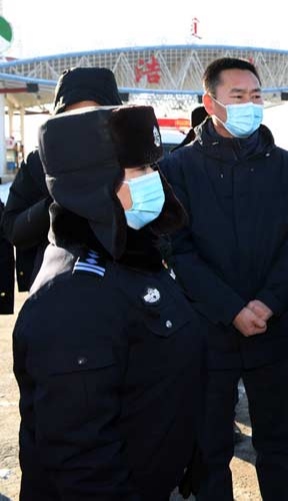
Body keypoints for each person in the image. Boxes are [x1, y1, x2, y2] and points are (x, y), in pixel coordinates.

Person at [13, 104, 203, 499]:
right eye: (139, 170)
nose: (153, 180)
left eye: (153, 167)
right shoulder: (73, 297)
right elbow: (81, 460)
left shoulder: (136, 253)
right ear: (90, 184)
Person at [160, 57, 288, 501]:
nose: (250, 104)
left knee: (277, 443)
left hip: (272, 328)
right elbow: (177, 248)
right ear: (211, 103)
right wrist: (230, 309)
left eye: (256, 95)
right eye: (238, 96)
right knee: (210, 448)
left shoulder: (285, 167)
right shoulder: (178, 168)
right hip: (210, 332)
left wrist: (268, 302)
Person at [2, 67, 122, 291]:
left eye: (94, 115)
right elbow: (13, 229)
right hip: (54, 288)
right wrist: (56, 200)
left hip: (122, 287)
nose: (83, 126)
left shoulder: (130, 158)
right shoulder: (39, 162)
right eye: (72, 118)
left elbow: (162, 228)